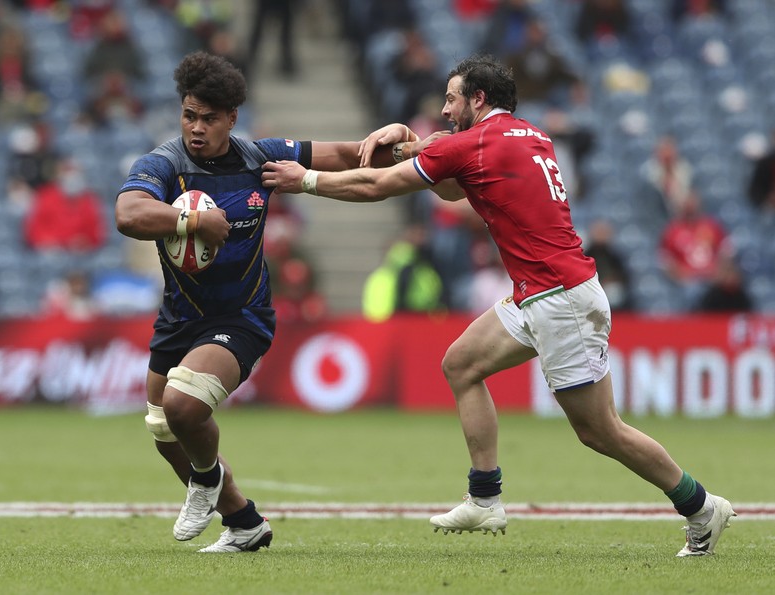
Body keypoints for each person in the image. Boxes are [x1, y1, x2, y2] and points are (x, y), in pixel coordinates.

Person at [263, 53, 736, 557]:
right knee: (461, 364)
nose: (445, 110)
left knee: (601, 431)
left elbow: (377, 185)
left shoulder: (479, 142)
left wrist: (305, 181)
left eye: (451, 99)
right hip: (543, 291)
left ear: (478, 99)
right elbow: (448, 185)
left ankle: (701, 506)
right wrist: (407, 142)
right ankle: (485, 497)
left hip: (560, 300)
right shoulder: (527, 135)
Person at [114, 51, 401, 553]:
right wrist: (191, 221)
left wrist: (401, 144)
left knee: (183, 407)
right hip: (180, 317)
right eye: (188, 115)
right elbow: (128, 213)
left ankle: (204, 480)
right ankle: (244, 522)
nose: (196, 127)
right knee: (162, 425)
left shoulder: (258, 158)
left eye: (208, 118)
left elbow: (346, 154)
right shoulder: (163, 164)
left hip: (241, 316)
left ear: (231, 118)